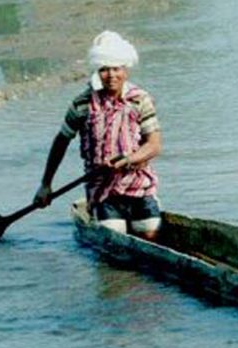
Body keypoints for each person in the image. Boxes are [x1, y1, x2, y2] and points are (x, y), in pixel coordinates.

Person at [34, 30, 163, 241]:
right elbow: (61, 141)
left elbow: (154, 145)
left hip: (138, 184)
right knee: (114, 237)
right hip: (103, 189)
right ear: (97, 71)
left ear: (126, 70)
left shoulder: (140, 100)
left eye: (116, 68)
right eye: (104, 69)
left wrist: (128, 159)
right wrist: (45, 184)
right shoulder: (82, 104)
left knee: (149, 232)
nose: (111, 75)